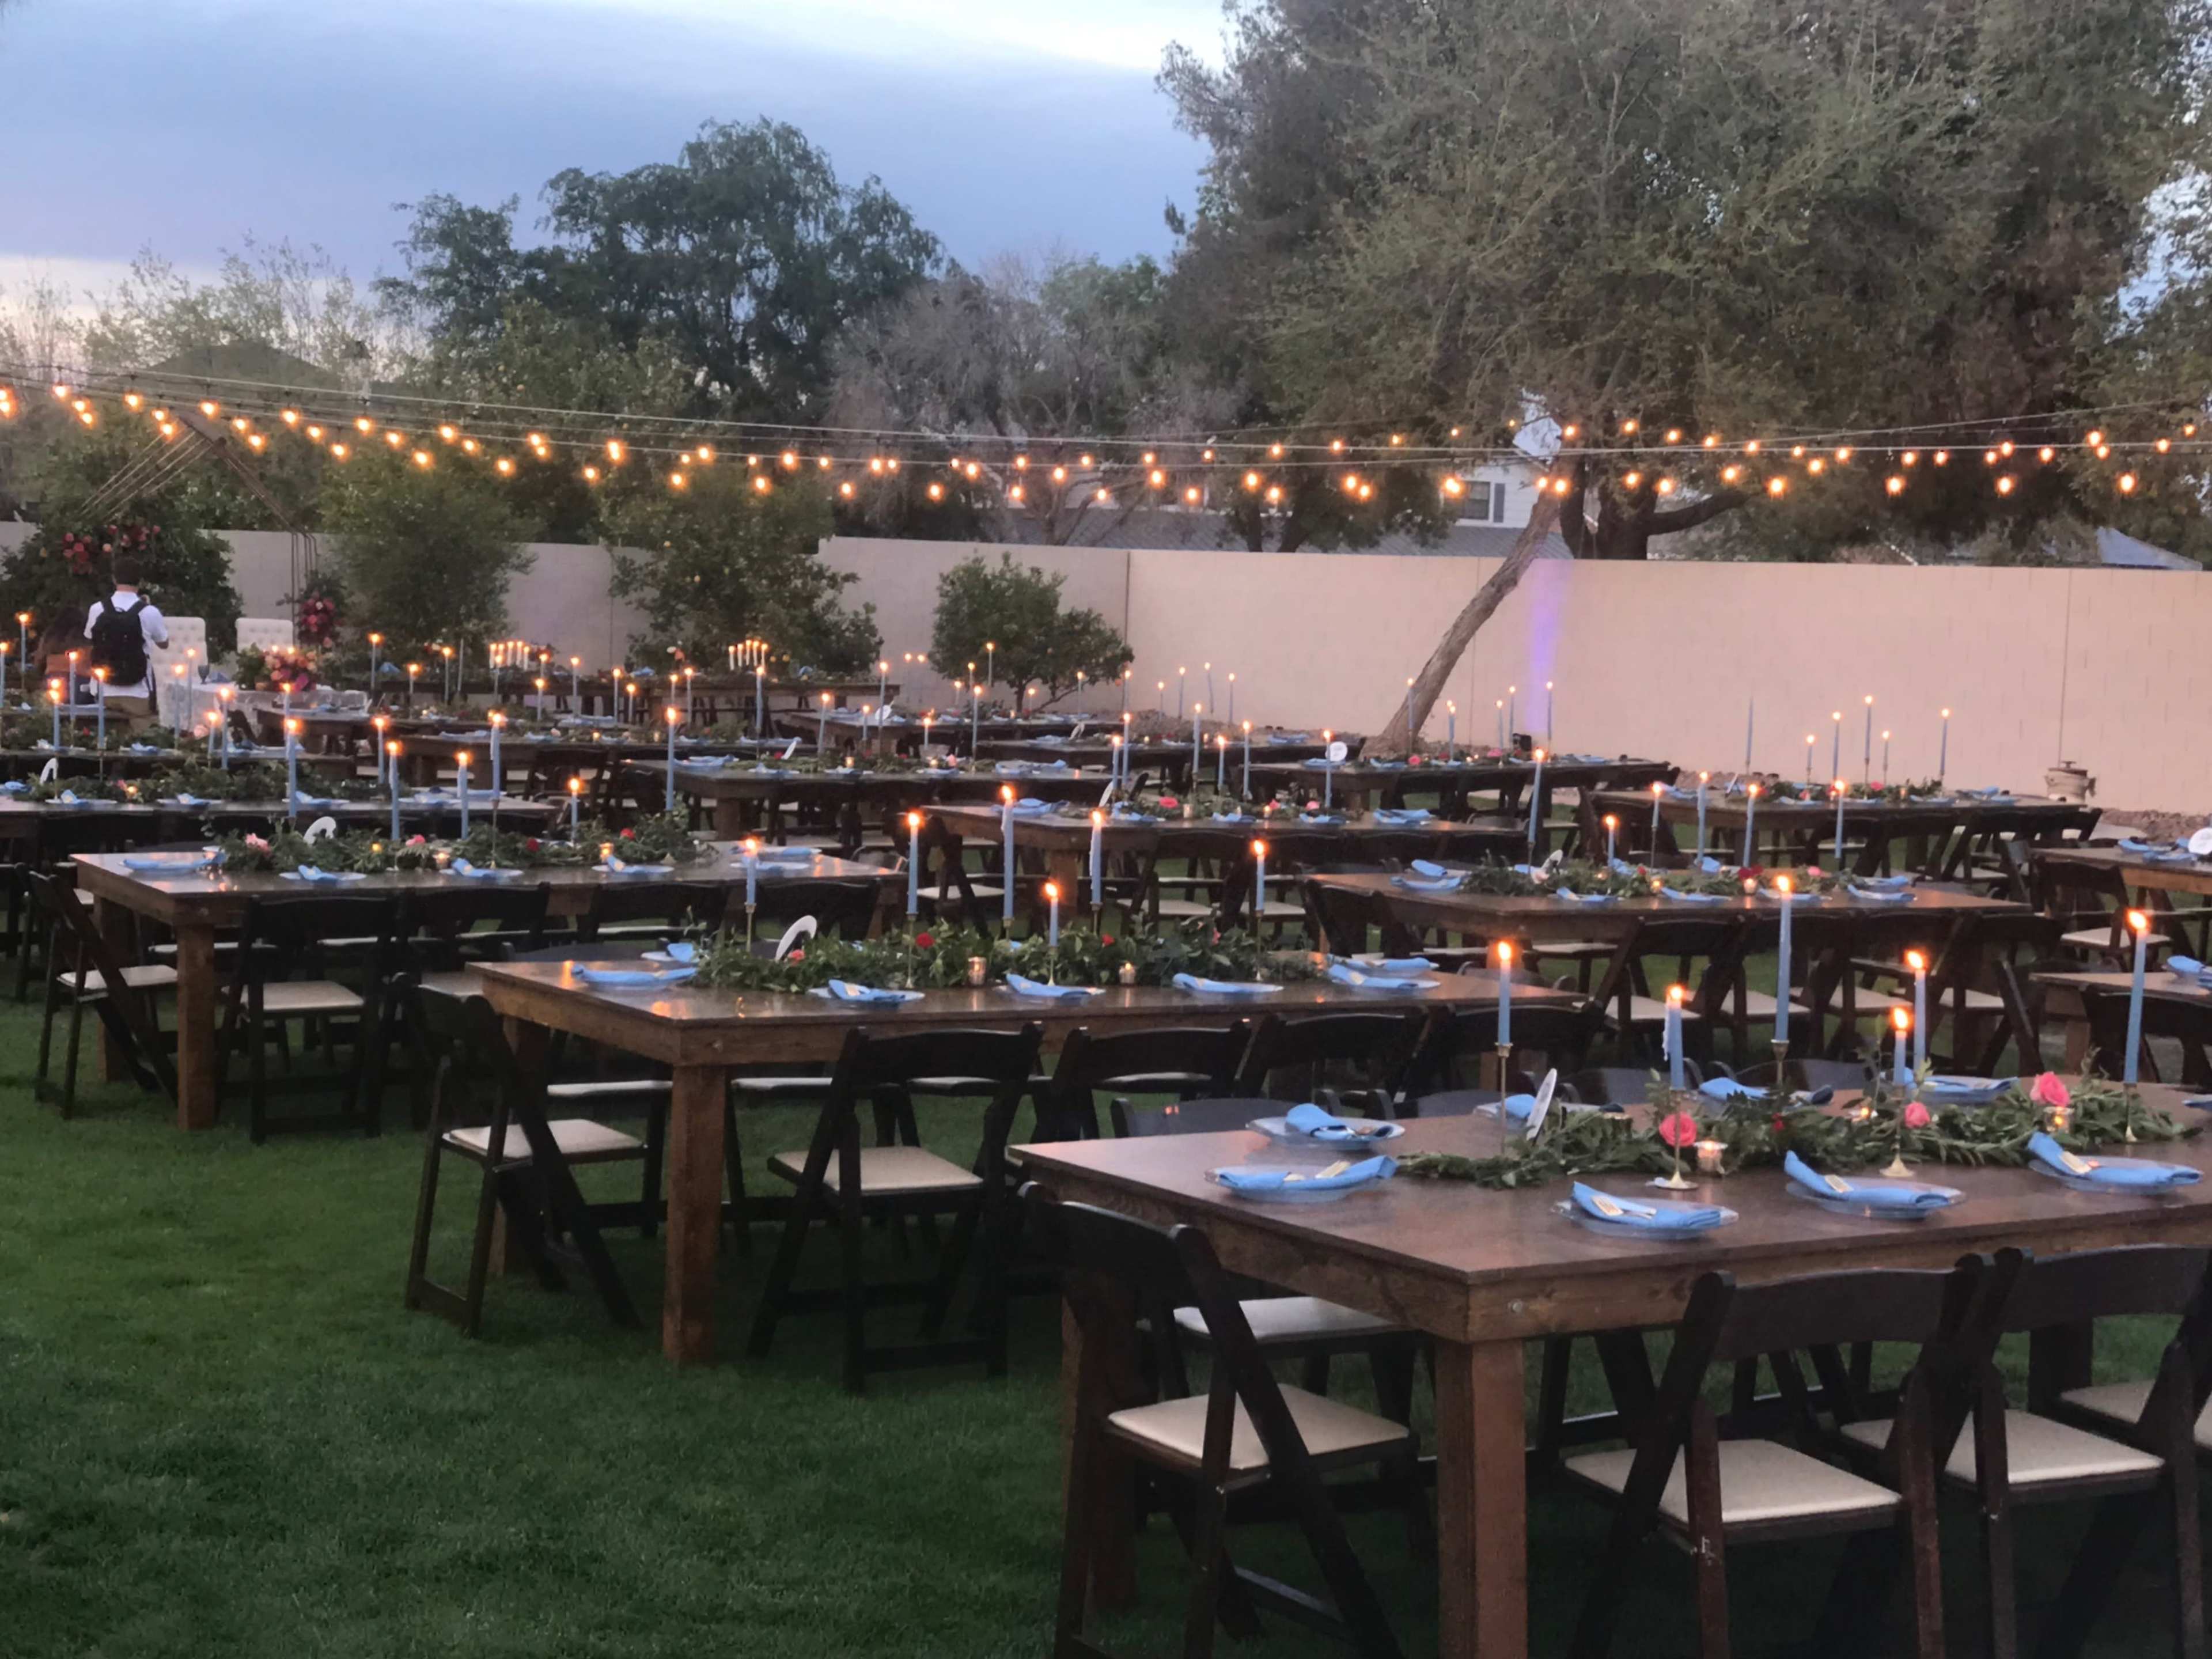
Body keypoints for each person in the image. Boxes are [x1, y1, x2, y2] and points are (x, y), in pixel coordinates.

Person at [84, 557, 171, 730]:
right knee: (148, 729)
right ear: (141, 581)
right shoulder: (149, 612)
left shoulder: (97, 609)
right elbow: (164, 643)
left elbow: (89, 639)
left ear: (114, 579)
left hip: (103, 691)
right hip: (137, 692)